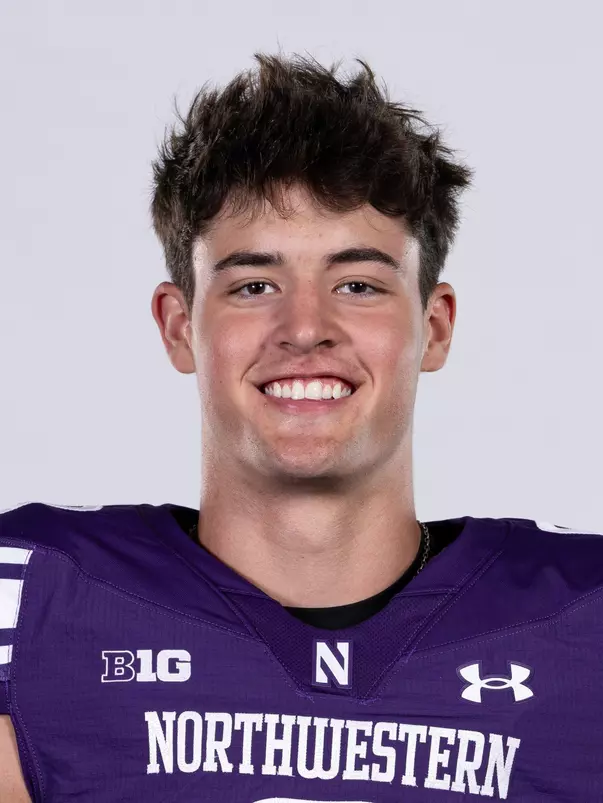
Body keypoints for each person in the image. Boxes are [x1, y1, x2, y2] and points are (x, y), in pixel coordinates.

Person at [1, 52, 602, 803]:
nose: (305, 327)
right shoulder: (39, 599)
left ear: (434, 325)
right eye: (255, 285)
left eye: (357, 284)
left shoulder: (583, 622)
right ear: (180, 326)